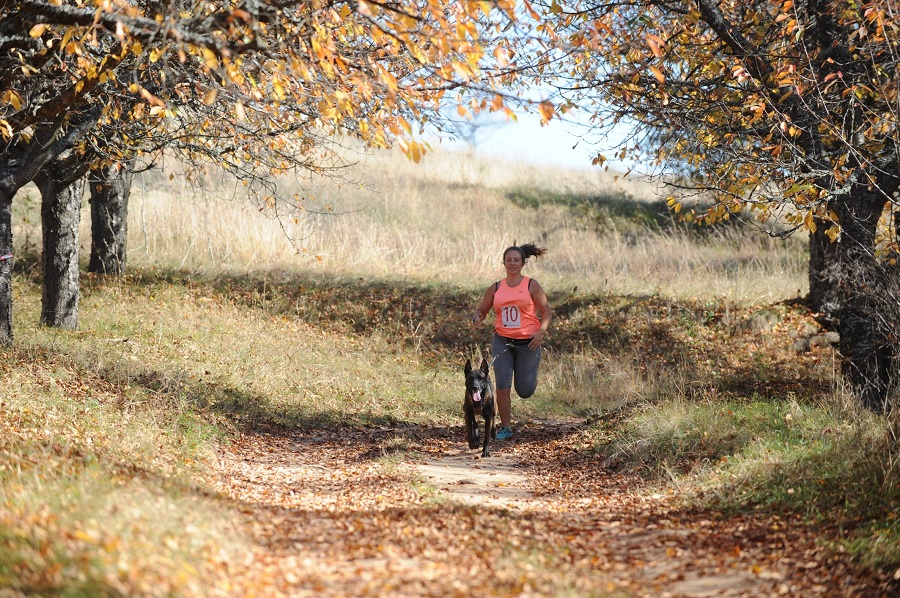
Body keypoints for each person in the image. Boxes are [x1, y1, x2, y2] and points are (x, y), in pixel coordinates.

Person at [471, 242, 552, 440]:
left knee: (524, 390)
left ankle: (529, 374)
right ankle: (505, 427)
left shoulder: (531, 285)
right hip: (503, 341)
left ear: (523, 263)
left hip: (528, 343)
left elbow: (546, 312)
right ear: (504, 263)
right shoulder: (496, 287)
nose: (512, 263)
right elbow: (482, 309)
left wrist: (541, 332)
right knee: (502, 385)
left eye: (516, 260)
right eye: (509, 260)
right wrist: (478, 317)